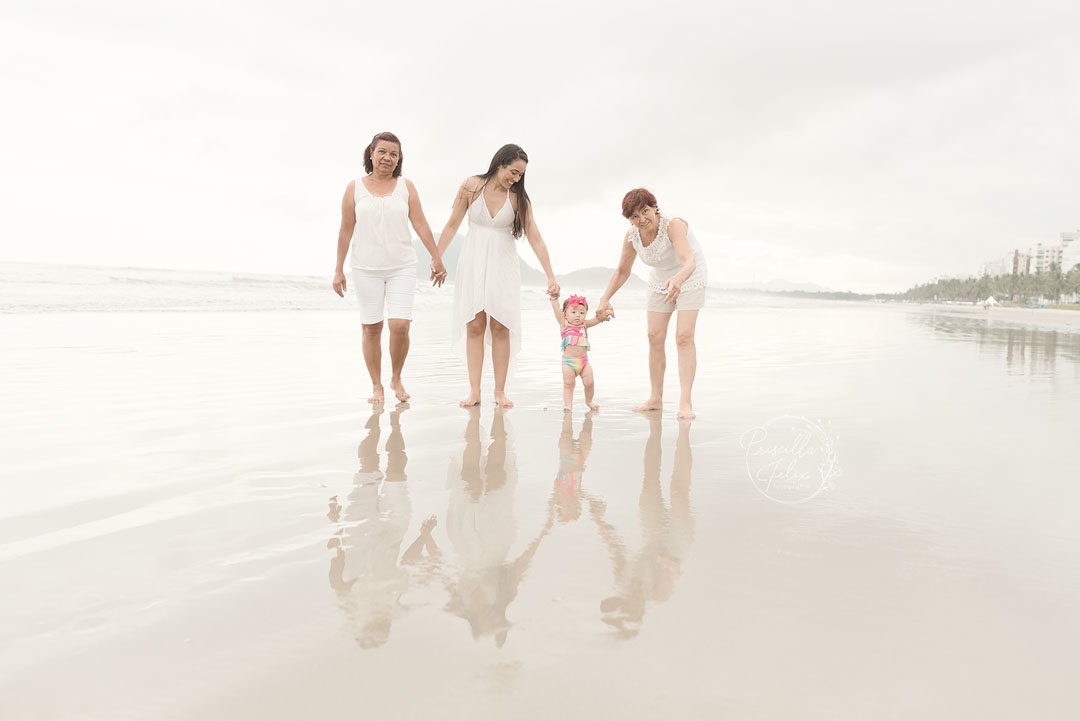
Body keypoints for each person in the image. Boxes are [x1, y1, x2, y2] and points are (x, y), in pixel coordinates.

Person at [436, 144, 560, 408]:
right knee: (474, 324)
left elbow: (535, 237)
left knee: (501, 325)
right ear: (500, 163)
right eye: (513, 172)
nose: (515, 179)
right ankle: (474, 391)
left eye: (520, 176)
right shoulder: (471, 186)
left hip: (503, 264)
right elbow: (451, 224)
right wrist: (437, 257)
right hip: (473, 260)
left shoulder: (518, 199)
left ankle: (500, 391)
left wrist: (550, 275)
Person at [333, 131, 448, 404]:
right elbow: (346, 229)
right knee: (371, 328)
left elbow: (420, 223)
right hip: (365, 267)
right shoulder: (354, 188)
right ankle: (376, 385)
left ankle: (396, 377)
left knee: (400, 325)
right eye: (382, 151)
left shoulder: (406, 186)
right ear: (371, 153)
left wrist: (436, 257)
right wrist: (338, 269)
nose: (387, 157)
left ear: (399, 160)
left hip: (402, 266)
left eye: (394, 154)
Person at [596, 188, 708, 419]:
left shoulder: (672, 225)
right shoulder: (632, 237)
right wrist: (604, 299)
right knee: (654, 336)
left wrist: (678, 279)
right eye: (634, 216)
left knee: (684, 337)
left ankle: (685, 403)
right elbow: (622, 271)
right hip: (660, 280)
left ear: (654, 208)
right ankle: (655, 398)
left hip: (690, 275)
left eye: (645, 211)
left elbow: (689, 261)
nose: (642, 219)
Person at [549, 293, 609, 411]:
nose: (578, 315)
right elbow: (556, 310)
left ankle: (589, 401)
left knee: (589, 382)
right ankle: (568, 405)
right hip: (568, 363)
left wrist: (605, 315)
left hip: (584, 362)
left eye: (582, 313)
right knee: (568, 384)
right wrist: (554, 299)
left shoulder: (585, 325)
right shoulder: (564, 323)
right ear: (565, 314)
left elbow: (597, 319)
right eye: (573, 312)